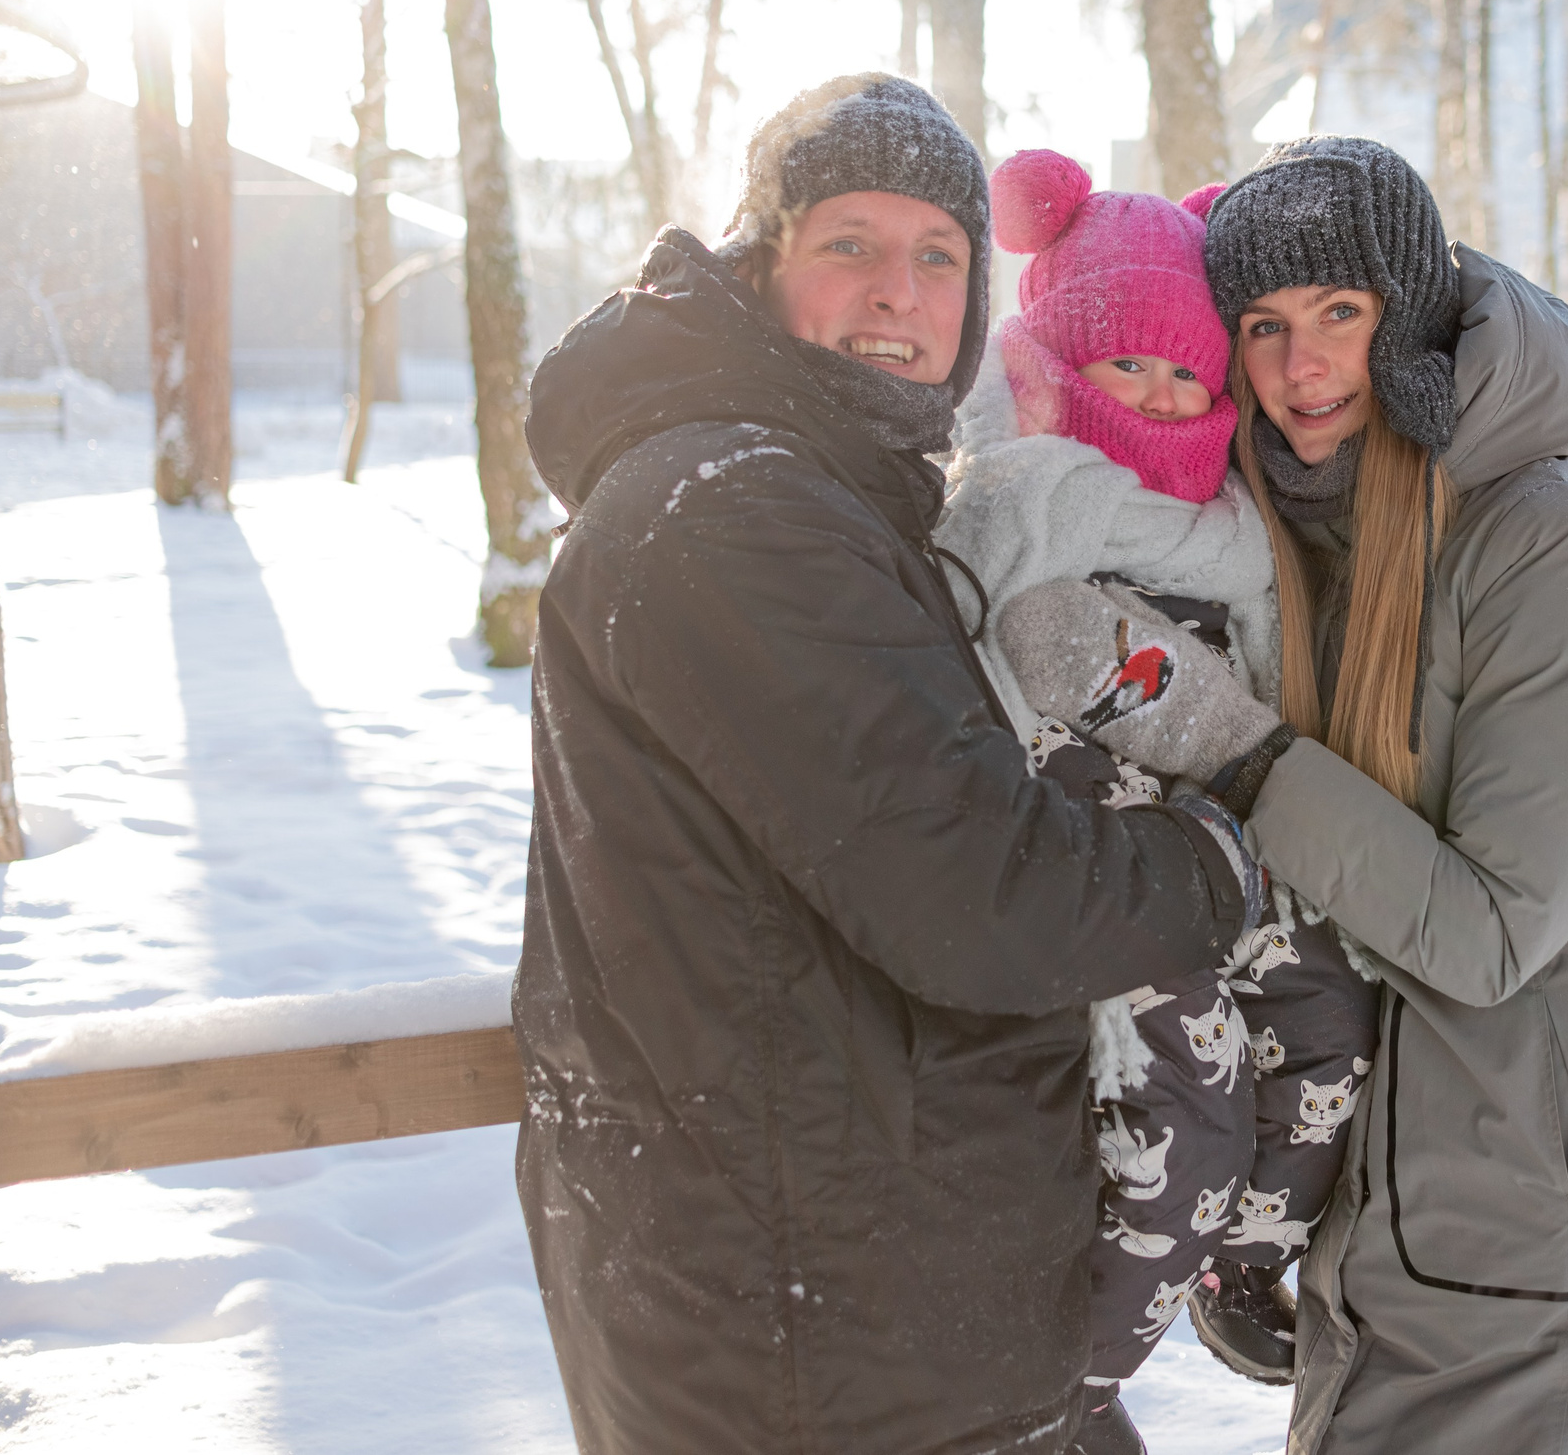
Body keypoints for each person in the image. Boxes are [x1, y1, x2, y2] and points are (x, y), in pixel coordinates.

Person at [511, 74, 1276, 1455]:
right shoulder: (734, 511)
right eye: (848, 243)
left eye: (939, 256)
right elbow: (981, 886)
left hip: (871, 1300)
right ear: (760, 265)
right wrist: (1215, 859)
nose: (898, 292)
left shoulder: (804, 488)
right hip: (823, 1345)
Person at [1008, 136, 1568, 1452]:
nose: (1304, 366)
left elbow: (1485, 935)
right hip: (1399, 1210)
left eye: (1342, 314)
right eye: (1265, 324)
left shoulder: (1550, 541)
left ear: (1407, 312)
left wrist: (1222, 736)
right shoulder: (1296, 529)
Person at [937, 150, 1378, 1451]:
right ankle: (1057, 1395)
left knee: (1334, 1016)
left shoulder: (1233, 527)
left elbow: (1262, 689)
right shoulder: (1018, 492)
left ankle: (1241, 1266)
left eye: (1190, 371)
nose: (1164, 395)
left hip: (1222, 857)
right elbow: (983, 655)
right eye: (1130, 363)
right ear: (1062, 356)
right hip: (1092, 878)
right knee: (1192, 1099)